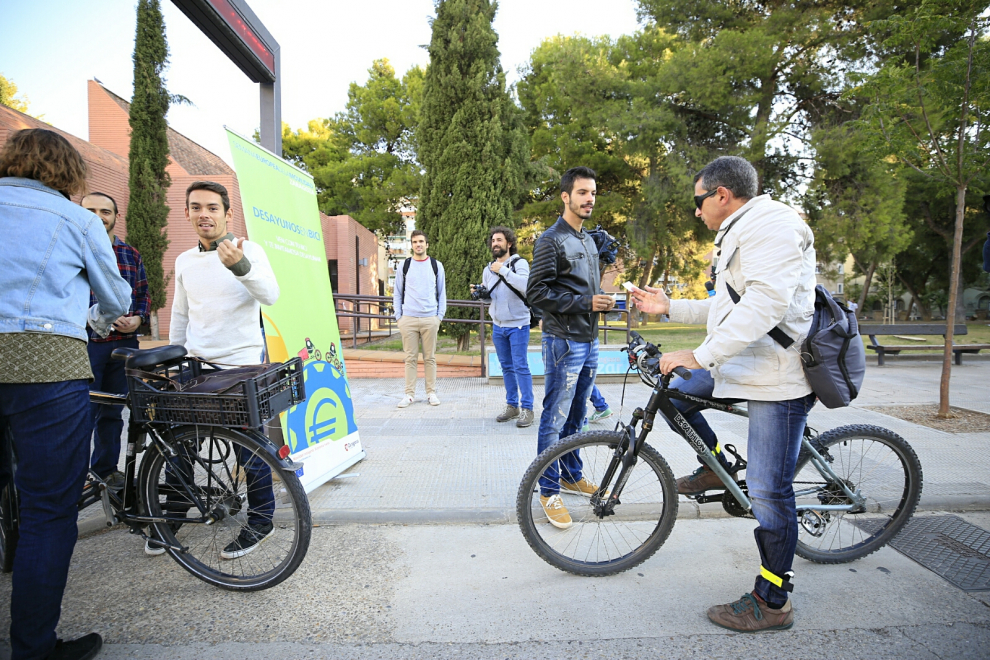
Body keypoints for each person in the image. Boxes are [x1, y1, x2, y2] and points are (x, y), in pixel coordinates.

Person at [631, 155, 817, 633]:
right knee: (676, 394)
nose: (696, 211)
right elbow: (728, 305)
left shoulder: (772, 225)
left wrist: (702, 354)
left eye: (698, 201)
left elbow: (766, 305)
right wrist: (669, 307)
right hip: (748, 363)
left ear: (721, 195)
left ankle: (772, 602)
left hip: (778, 377)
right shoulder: (743, 228)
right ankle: (717, 467)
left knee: (769, 492)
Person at [0, 128, 132, 660]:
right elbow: (116, 297)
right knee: (48, 510)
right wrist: (94, 321)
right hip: (46, 362)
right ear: (68, 172)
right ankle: (33, 648)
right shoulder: (76, 220)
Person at [165, 180, 280, 560]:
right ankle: (171, 517)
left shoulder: (249, 250)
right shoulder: (184, 260)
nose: (204, 214)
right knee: (179, 447)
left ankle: (261, 521)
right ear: (187, 213)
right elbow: (181, 314)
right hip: (194, 366)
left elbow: (271, 295)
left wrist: (240, 267)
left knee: (250, 450)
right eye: (196, 207)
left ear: (227, 214)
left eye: (212, 208)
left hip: (239, 367)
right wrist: (174, 360)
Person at [526, 166, 615, 529]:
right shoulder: (551, 240)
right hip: (563, 342)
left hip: (589, 340)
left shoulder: (588, 240)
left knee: (578, 416)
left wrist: (600, 299)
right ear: (566, 196)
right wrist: (586, 303)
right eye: (582, 192)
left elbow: (582, 288)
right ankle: (548, 490)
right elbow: (536, 294)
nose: (589, 199)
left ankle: (571, 475)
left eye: (592, 192)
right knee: (555, 417)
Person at [82, 192, 150, 491]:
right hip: (86, 344)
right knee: (81, 413)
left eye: (105, 211)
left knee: (113, 412)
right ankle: (74, 478)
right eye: (91, 211)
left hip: (124, 346)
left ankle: (106, 471)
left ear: (115, 216)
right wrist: (100, 317)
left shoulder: (130, 254)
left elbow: (143, 293)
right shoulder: (71, 249)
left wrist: (139, 318)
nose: (99, 217)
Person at [474, 226, 535, 427]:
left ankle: (527, 408)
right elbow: (490, 297)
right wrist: (481, 294)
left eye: (499, 240)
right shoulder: (488, 269)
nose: (495, 244)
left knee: (520, 366)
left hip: (518, 325)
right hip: (498, 326)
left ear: (509, 243)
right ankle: (512, 405)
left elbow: (526, 286)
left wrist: (503, 270)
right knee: (506, 367)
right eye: (493, 240)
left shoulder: (519, 263)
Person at [392, 229, 447, 408]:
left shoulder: (436, 265)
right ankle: (409, 395)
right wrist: (399, 317)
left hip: (430, 318)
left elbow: (442, 293)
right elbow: (397, 292)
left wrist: (439, 316)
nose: (418, 245)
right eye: (415, 242)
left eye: (421, 241)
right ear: (412, 245)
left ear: (427, 244)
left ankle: (431, 393)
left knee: (430, 358)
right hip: (408, 319)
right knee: (410, 358)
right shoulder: (404, 266)